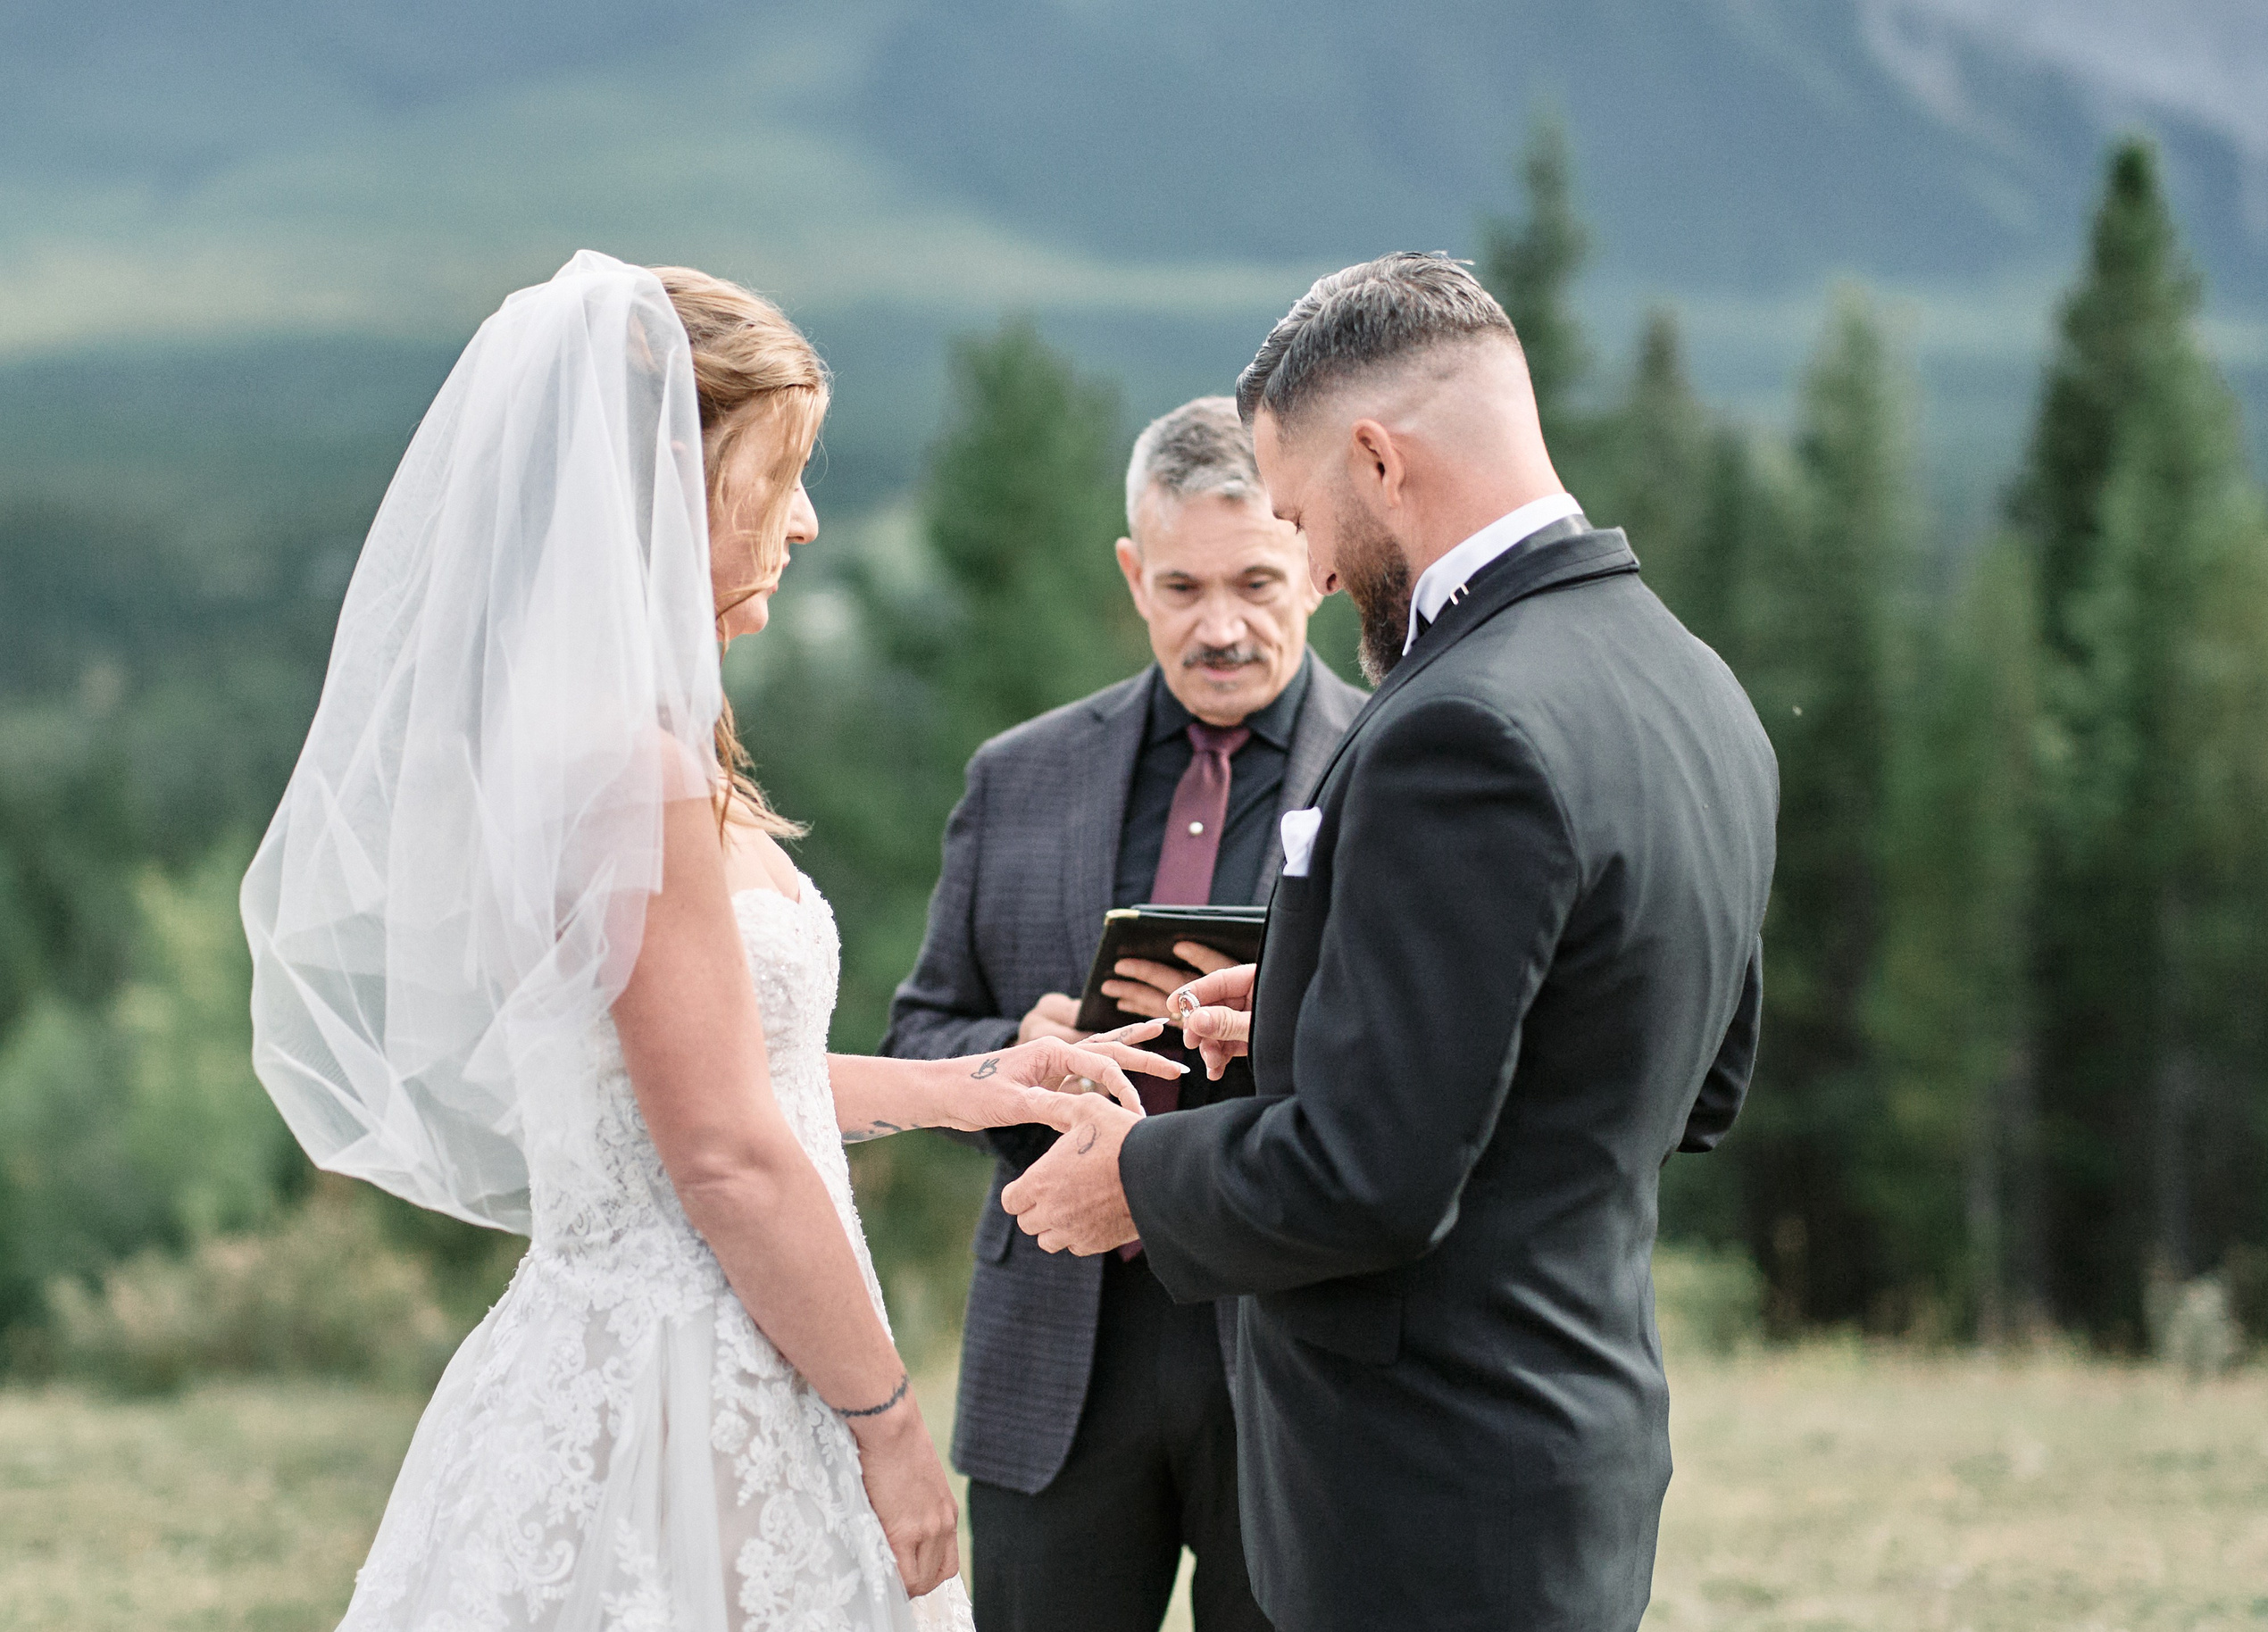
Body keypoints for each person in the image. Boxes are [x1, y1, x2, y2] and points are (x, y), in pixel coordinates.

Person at [239, 252, 1180, 1632]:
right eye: (776, 473)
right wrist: (888, 1423)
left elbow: (714, 1074)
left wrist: (977, 1084)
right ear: (669, 482)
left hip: (707, 1345)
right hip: (688, 1392)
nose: (803, 523)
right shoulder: (632, 770)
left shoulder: (625, 744)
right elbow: (731, 1155)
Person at [1000, 254, 1780, 1631]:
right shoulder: (1686, 679)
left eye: (1298, 515)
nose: (1309, 563)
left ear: (1377, 457)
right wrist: (1315, 1004)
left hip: (1425, 1486)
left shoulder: (1455, 726)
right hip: (1565, 1443)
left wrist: (1138, 1176)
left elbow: (1368, 1178)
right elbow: (1680, 1073)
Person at [882, 396, 1364, 1632]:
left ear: (1312, 565)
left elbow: (1422, 1059)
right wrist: (1008, 1062)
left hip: (1296, 1344)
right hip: (1058, 1354)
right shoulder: (1018, 774)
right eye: (1182, 587)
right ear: (1131, 574)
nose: (1220, 627)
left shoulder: (1393, 768)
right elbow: (918, 1035)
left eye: (1257, 582)